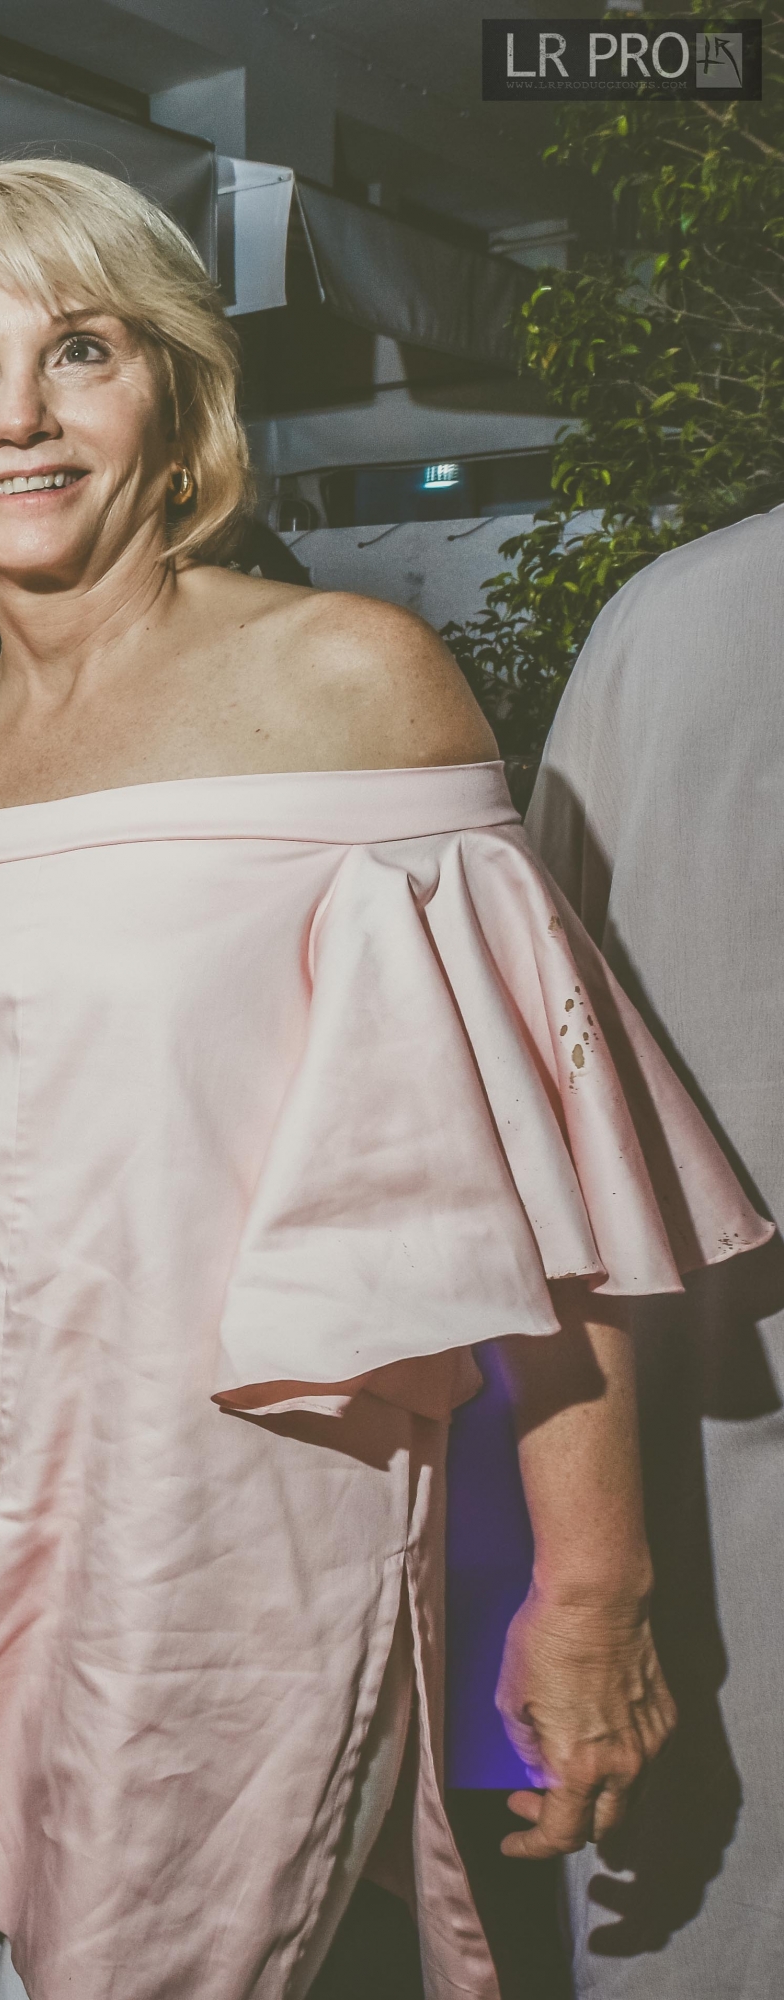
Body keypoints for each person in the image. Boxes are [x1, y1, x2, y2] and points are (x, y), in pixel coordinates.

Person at [0, 159, 770, 2000]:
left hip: (248, 1520)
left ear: (174, 398)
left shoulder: (351, 681)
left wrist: (593, 1586)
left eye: (77, 351)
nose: (16, 415)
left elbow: (536, 1181)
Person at [525, 505, 784, 2000]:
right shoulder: (673, 630)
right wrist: (591, 1581)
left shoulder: (665, 625)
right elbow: (563, 1129)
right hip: (721, 1534)